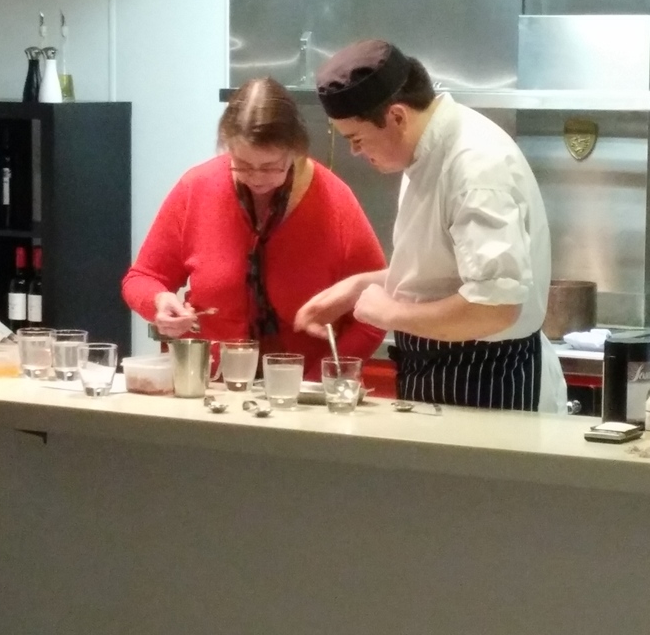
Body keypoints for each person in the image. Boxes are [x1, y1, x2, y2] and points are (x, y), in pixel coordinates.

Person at [294, 39, 567, 412]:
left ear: (397, 117)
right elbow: (443, 273)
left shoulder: (475, 166)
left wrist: (386, 313)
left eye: (356, 139)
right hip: (439, 369)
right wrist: (357, 288)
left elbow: (495, 308)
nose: (355, 152)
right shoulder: (424, 151)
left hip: (486, 379)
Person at [122, 77, 386, 379]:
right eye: (243, 165)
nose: (257, 178)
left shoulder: (334, 202)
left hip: (307, 387)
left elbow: (376, 310)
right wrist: (158, 302)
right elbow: (142, 278)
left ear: (295, 151)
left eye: (271, 166)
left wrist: (318, 381)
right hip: (211, 383)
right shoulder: (197, 188)